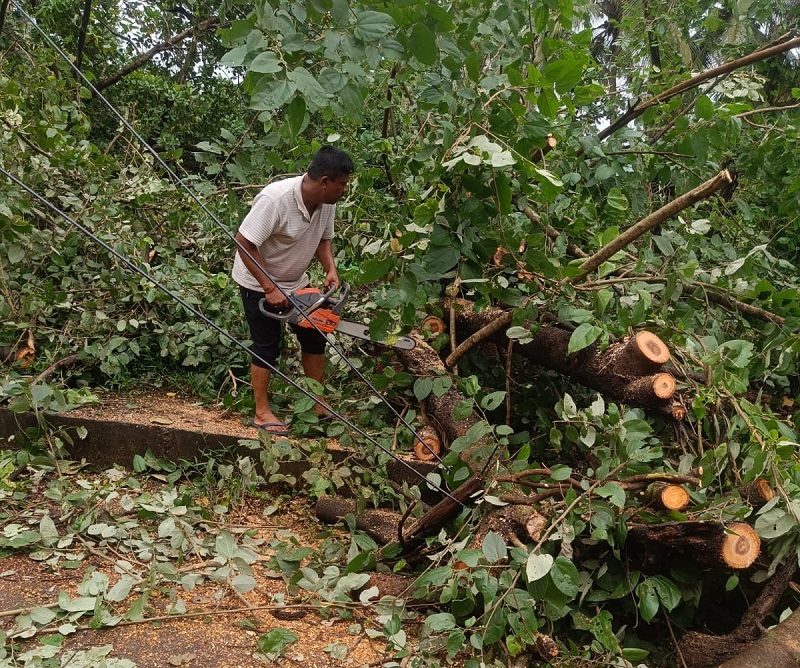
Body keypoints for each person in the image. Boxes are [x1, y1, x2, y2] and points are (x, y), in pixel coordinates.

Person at [232, 146, 355, 435]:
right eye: (342, 184)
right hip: (257, 281)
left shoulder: (327, 203)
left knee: (315, 332)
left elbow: (324, 240)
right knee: (267, 345)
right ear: (325, 181)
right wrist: (269, 287)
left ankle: (317, 401)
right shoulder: (276, 200)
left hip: (294, 281)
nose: (344, 190)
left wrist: (330, 268)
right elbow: (243, 242)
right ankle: (262, 412)